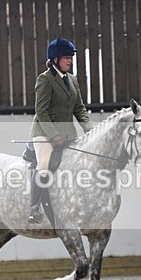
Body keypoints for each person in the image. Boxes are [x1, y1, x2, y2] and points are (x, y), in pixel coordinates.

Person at [27, 38, 95, 223]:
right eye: (66, 57)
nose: (70, 61)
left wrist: (90, 130)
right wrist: (53, 135)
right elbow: (41, 110)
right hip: (44, 132)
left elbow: (79, 109)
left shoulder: (72, 80)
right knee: (44, 164)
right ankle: (33, 208)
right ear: (55, 59)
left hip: (67, 134)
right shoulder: (45, 79)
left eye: (70, 57)